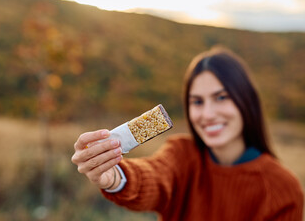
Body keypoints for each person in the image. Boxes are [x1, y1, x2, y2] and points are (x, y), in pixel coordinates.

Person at [71, 46, 304, 220]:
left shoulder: (282, 188)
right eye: (197, 102)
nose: (208, 114)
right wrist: (116, 177)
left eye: (221, 97)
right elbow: (155, 175)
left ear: (246, 100)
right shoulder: (183, 155)